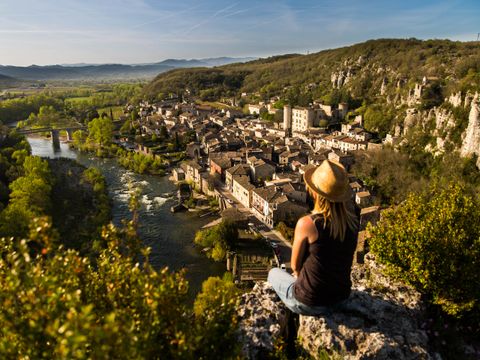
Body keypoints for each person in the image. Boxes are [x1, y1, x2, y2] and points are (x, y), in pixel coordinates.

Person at [267, 160, 359, 315]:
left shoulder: (308, 224)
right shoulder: (353, 223)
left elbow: (295, 266)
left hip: (310, 302)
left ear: (315, 192)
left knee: (273, 273)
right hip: (341, 299)